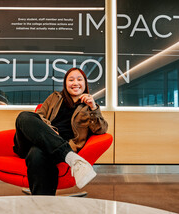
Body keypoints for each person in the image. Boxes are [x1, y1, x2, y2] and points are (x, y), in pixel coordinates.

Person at [13, 67, 108, 195]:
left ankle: (43, 204)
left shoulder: (88, 108)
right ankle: (72, 159)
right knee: (24, 116)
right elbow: (40, 115)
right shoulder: (54, 97)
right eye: (71, 80)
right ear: (65, 84)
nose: (75, 83)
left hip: (54, 148)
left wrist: (93, 107)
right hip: (33, 141)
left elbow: (100, 130)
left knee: (36, 154)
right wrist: (50, 130)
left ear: (85, 84)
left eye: (79, 79)